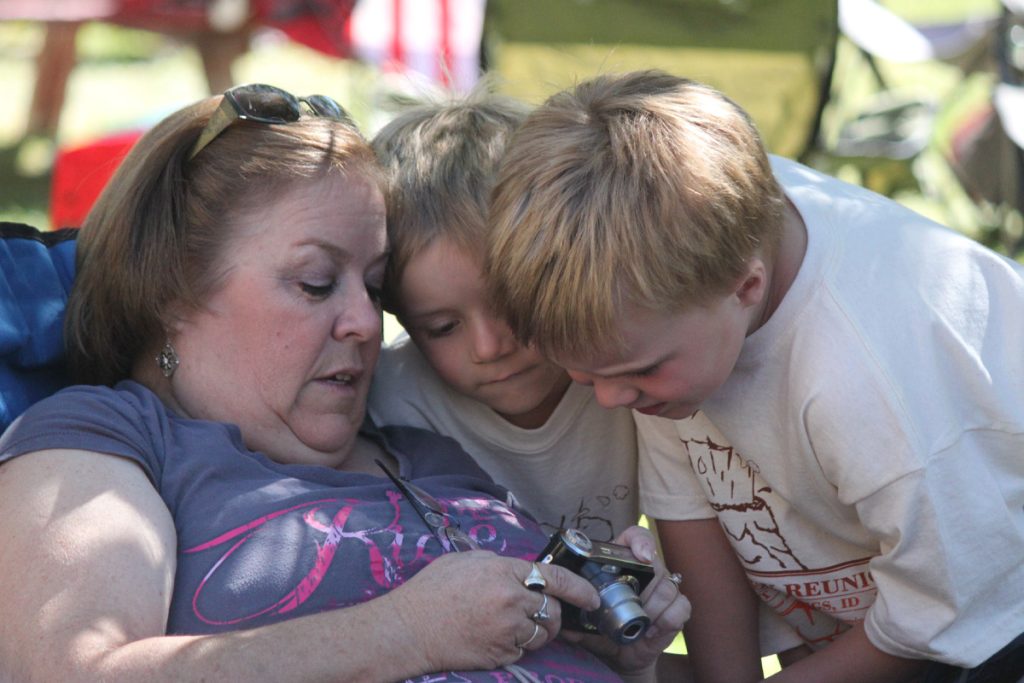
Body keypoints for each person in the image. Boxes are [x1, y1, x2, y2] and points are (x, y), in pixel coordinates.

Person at [0, 83, 690, 682]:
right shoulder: (106, 441)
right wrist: (403, 632)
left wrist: (631, 658)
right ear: (174, 289)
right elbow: (71, 671)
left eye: (376, 286)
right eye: (317, 282)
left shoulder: (426, 450)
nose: (366, 321)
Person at [483, 69, 1024, 682]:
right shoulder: (677, 289)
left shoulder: (871, 382)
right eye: (585, 377)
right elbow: (692, 506)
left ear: (747, 287)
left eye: (636, 375)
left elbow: (945, 615)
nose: (612, 400)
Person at [367, 88, 641, 544]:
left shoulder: (633, 369)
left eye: (510, 301)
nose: (490, 346)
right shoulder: (392, 407)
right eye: (442, 328)